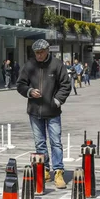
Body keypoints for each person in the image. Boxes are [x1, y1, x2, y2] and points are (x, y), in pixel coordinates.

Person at [16, 39, 70, 189]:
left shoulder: (57, 64)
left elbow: (66, 85)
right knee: (40, 143)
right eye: (36, 53)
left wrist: (57, 101)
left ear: (47, 50)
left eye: (41, 52)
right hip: (34, 110)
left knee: (56, 142)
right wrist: (29, 91)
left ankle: (58, 171)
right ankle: (44, 169)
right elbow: (20, 84)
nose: (39, 55)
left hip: (52, 110)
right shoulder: (29, 65)